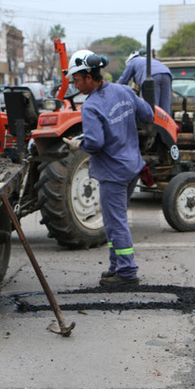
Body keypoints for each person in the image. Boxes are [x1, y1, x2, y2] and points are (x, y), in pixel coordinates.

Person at [63, 50, 154, 286]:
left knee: (116, 222)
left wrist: (78, 145)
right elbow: (148, 114)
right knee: (116, 220)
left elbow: (95, 143)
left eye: (76, 79)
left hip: (113, 172)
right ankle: (116, 266)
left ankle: (126, 273)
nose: (75, 84)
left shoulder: (91, 106)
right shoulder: (123, 90)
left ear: (88, 77)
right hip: (132, 166)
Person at [117, 50, 173, 116]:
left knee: (153, 107)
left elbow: (123, 80)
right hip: (166, 73)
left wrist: (117, 91)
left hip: (152, 75)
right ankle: (166, 125)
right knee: (165, 106)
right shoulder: (148, 60)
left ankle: (154, 124)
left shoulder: (132, 62)